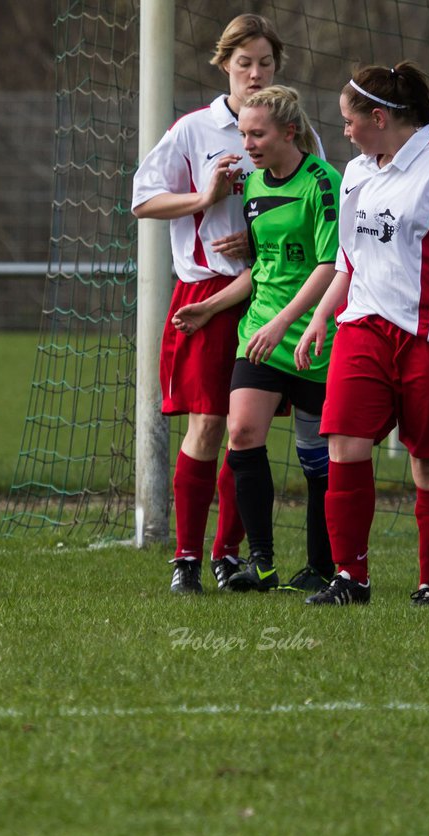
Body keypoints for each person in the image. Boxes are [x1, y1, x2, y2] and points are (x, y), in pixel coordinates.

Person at [295, 62, 429, 606]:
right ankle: (351, 579)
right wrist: (321, 316)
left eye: (348, 120)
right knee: (343, 442)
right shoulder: (358, 172)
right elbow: (348, 257)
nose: (343, 130)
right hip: (364, 326)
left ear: (379, 118)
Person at [131, 14, 322, 594]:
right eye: (245, 63)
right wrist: (204, 198)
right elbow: (142, 201)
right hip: (207, 292)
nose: (255, 73)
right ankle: (185, 558)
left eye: (265, 63)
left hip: (273, 297)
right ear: (224, 66)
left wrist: (258, 243)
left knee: (250, 432)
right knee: (210, 424)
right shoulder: (194, 129)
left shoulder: (291, 133)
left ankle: (230, 553)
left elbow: (304, 216)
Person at [171, 86, 341, 594]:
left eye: (258, 133)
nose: (247, 143)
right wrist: (210, 306)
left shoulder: (325, 182)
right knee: (242, 433)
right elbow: (261, 270)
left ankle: (321, 565)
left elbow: (330, 266)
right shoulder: (252, 187)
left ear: (289, 131)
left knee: (317, 461)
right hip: (261, 331)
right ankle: (260, 562)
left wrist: (287, 320)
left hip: (316, 334)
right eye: (243, 133)